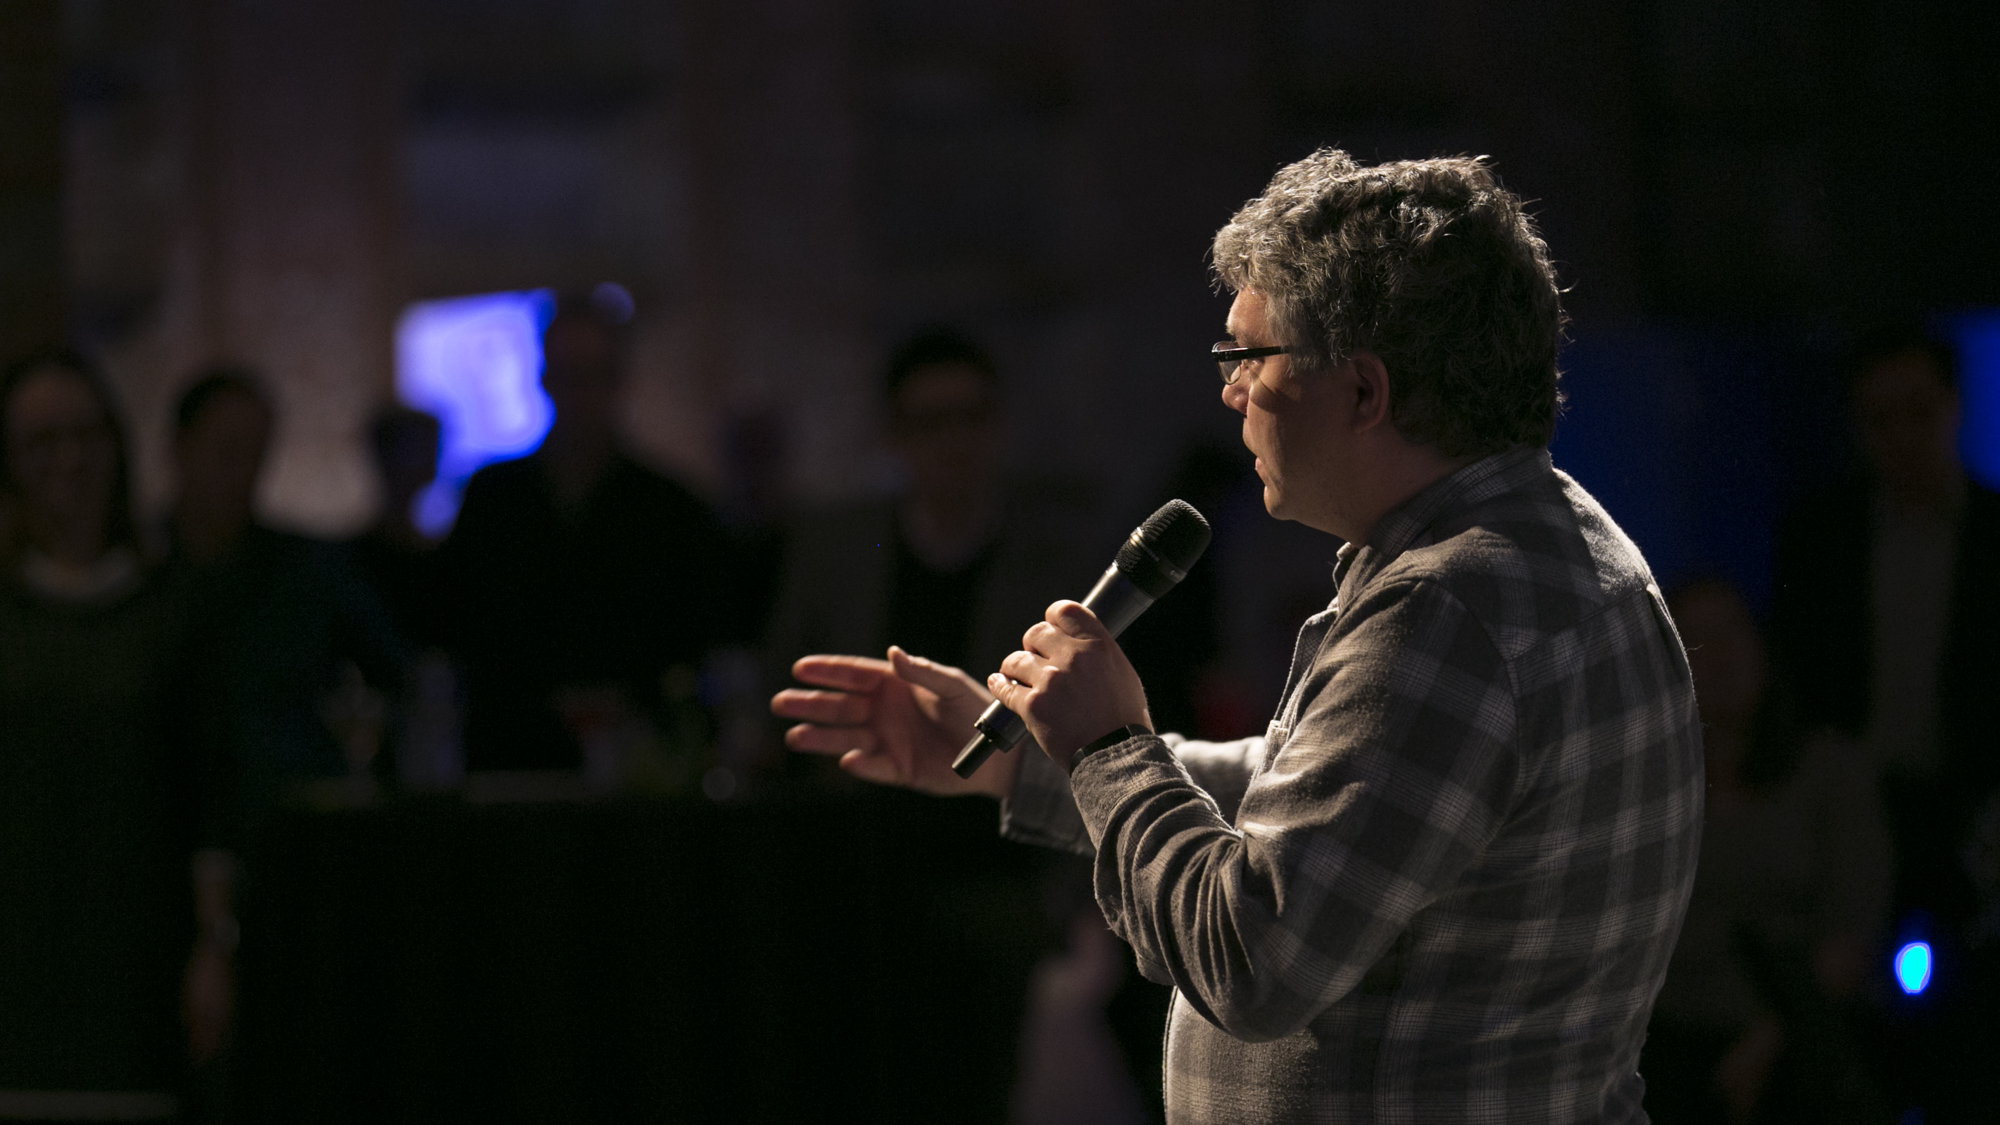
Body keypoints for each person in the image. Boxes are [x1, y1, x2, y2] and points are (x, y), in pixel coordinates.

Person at [773, 150, 1705, 1122]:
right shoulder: (1551, 538)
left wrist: (1106, 747)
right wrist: (1023, 764)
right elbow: (1318, 792)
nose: (1229, 394)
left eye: (1247, 358)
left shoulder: (1449, 613)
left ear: (1361, 393)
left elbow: (1248, 958)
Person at [0, 350, 194, 1118]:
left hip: (133, 953)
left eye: (86, 434)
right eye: (43, 441)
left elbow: (201, 779)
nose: (70, 459)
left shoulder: (170, 607)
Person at [436, 293, 732, 771]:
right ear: (545, 379)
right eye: (567, 374)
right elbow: (464, 627)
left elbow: (694, 642)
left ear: (619, 380)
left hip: (645, 767)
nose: (580, 392)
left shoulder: (672, 509)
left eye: (594, 374)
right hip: (512, 760)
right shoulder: (493, 499)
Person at [1769, 326, 2000, 930]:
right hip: (1849, 807)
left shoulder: (1992, 534)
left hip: (1977, 809)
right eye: (1880, 420)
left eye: (1918, 414)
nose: (1901, 439)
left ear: (1952, 408)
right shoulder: (1820, 536)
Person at [1642, 579, 1890, 1125]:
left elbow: (1852, 932)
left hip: (1801, 1034)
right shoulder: (1647, 790)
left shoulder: (1829, 772)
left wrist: (1768, 1040)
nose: (1723, 655)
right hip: (1665, 1038)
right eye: (1698, 639)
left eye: (1733, 630)